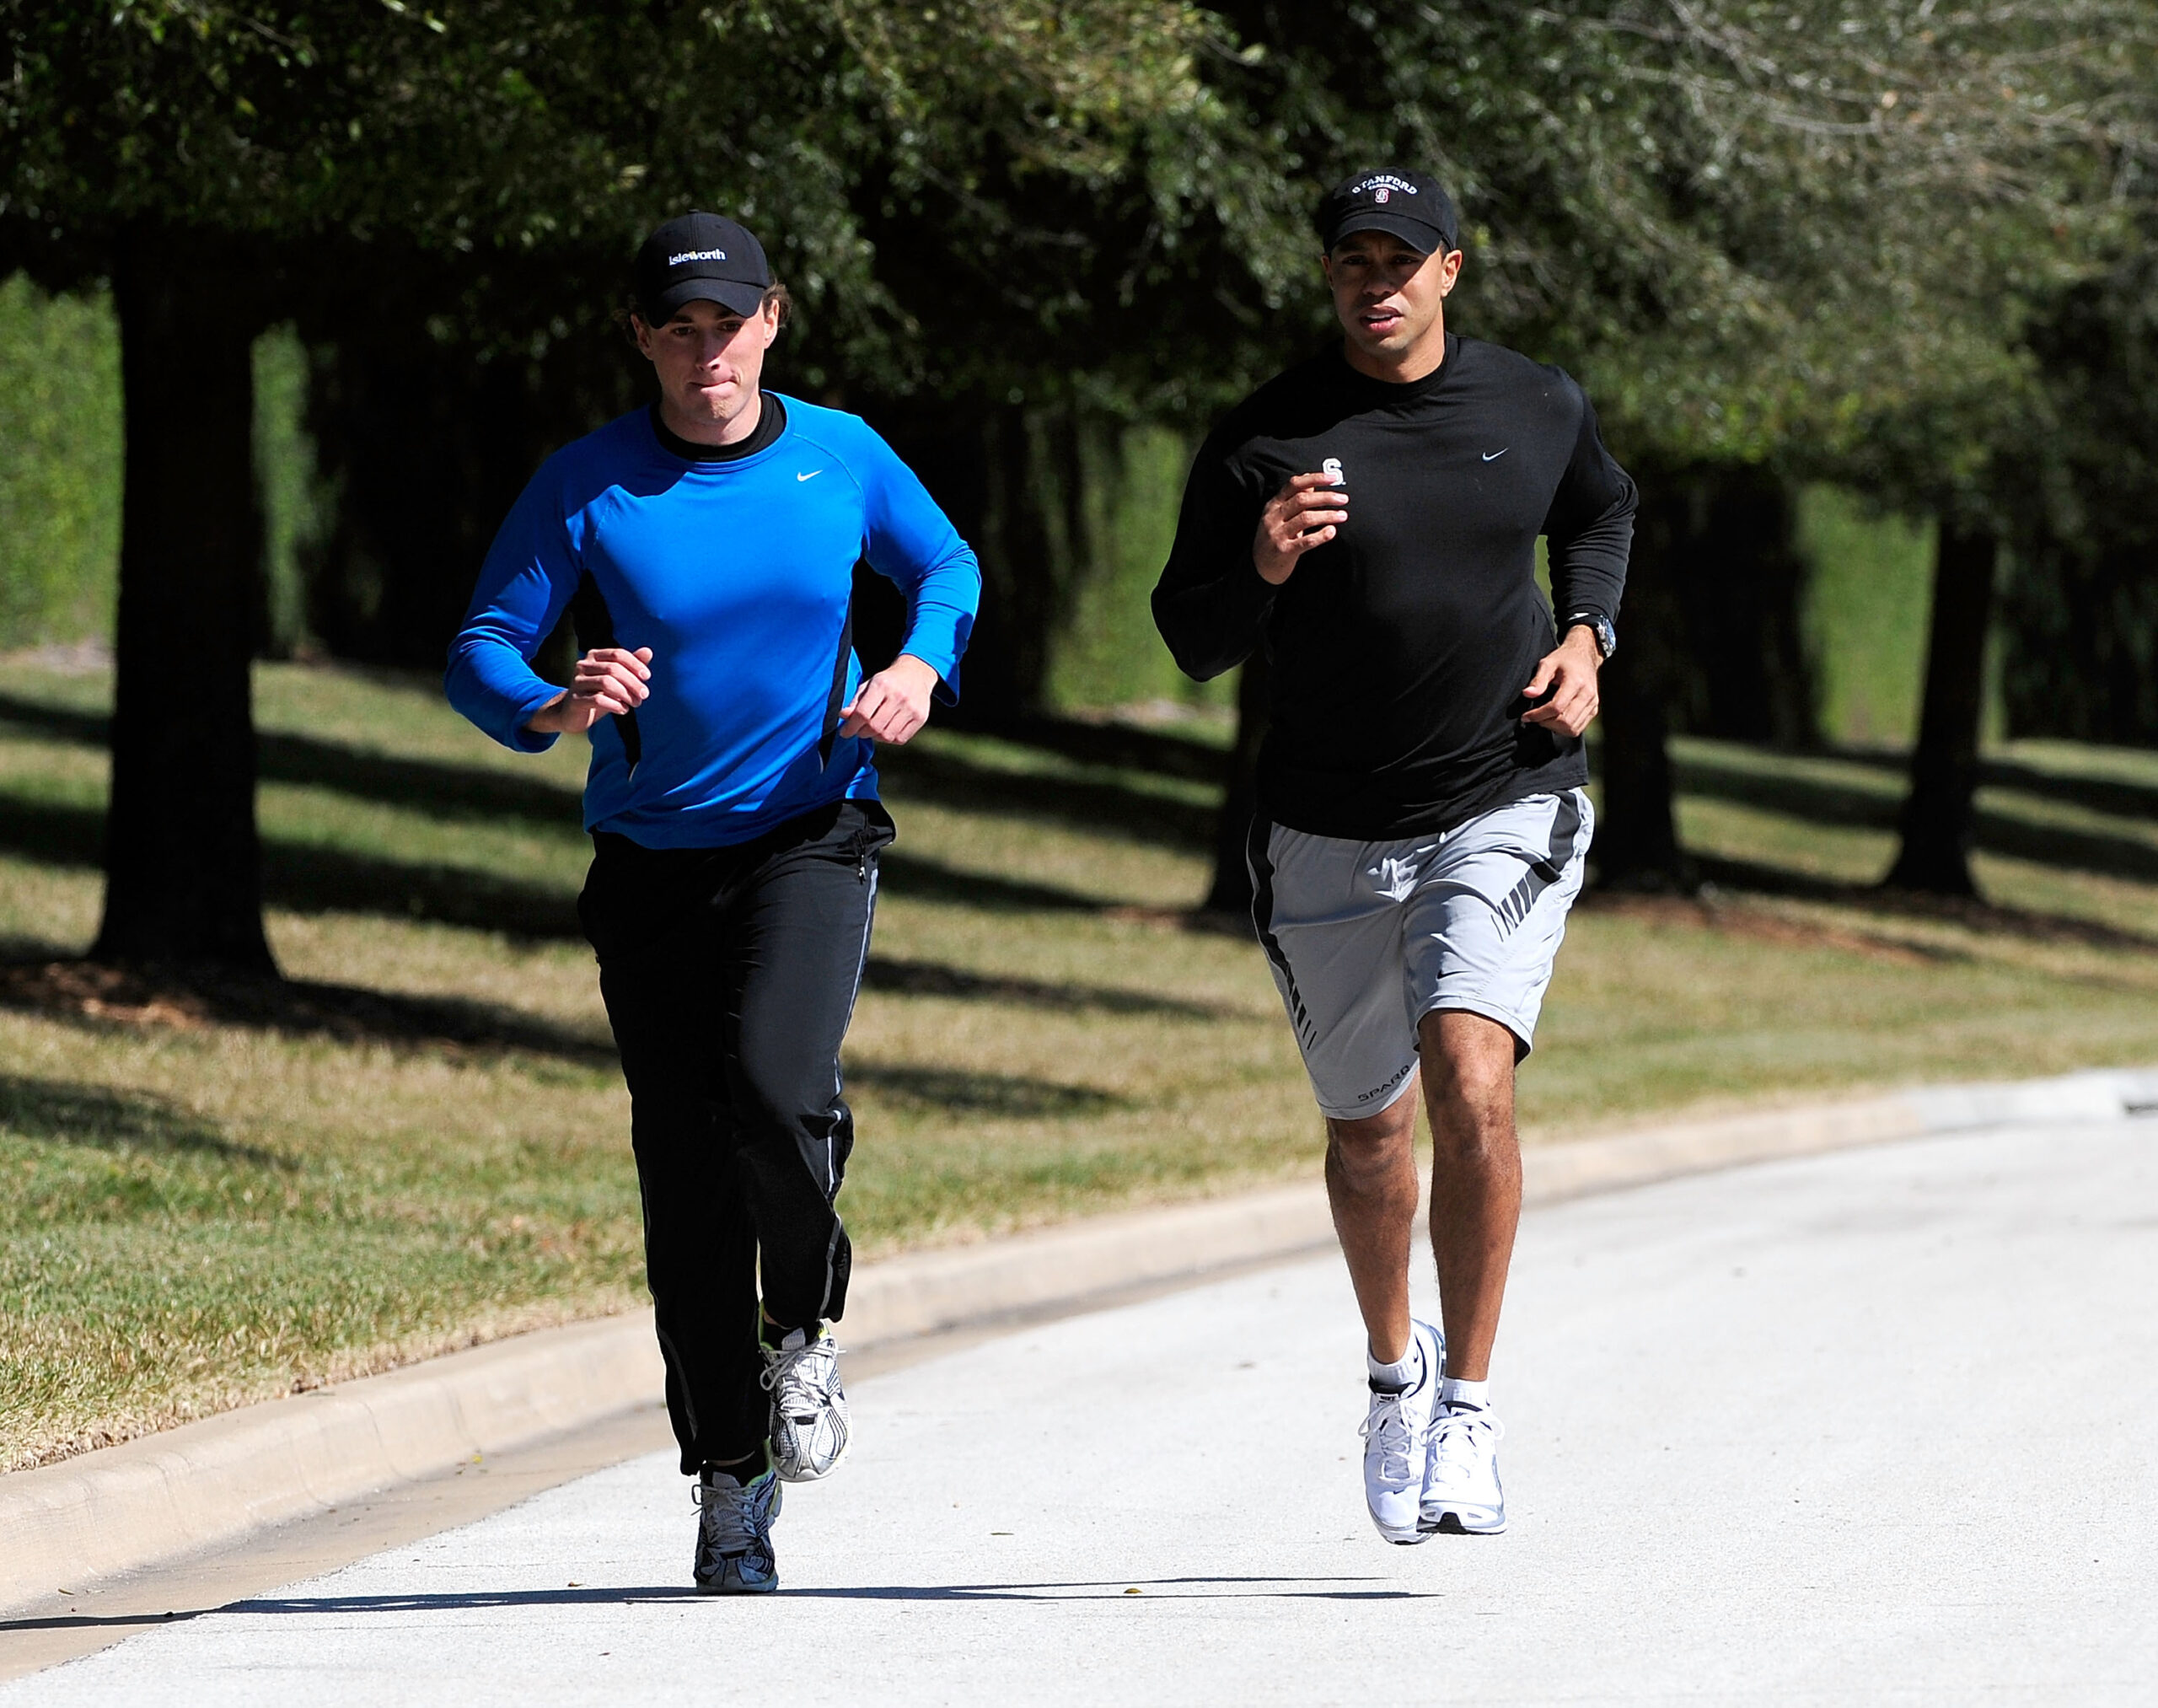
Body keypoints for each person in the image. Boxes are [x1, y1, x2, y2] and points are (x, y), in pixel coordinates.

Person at [446, 211, 980, 1592]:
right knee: (685, 1178)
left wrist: (921, 665)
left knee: (776, 1087)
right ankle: (727, 1479)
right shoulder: (590, 484)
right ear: (642, 337)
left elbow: (948, 568)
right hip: (649, 864)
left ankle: (804, 1328)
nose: (706, 355)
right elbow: (482, 645)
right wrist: (549, 704)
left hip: (812, 830)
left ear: (774, 320)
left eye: (727, 324)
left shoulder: (842, 454)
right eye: (676, 329)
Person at [1152, 169, 1635, 1540]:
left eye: (1401, 258)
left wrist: (1589, 638)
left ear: (1450, 271)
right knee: (1369, 1137)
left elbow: (1601, 508)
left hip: (1503, 793)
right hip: (1322, 833)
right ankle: (1392, 1374)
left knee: (1469, 1071)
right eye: (1353, 258)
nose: (1377, 280)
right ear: (1330, 276)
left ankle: (1470, 1409)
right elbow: (1192, 636)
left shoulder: (1532, 403)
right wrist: (1260, 557)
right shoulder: (1267, 436)